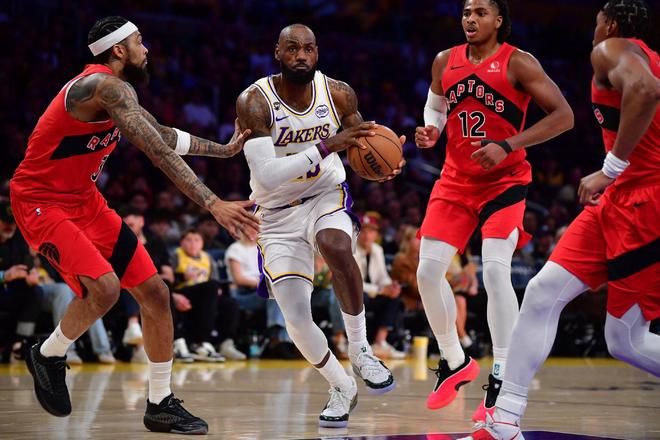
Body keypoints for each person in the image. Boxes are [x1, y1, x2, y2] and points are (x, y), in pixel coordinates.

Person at [9, 16, 260, 434]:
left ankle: (160, 403)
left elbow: (161, 134)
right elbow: (158, 154)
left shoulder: (118, 93)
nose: (147, 49)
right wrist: (212, 202)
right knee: (105, 289)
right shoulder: (103, 86)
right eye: (140, 42)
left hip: (85, 201)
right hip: (41, 202)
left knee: (156, 294)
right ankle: (48, 354)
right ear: (119, 50)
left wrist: (226, 150)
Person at [468, 1, 659, 438]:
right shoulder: (646, 56)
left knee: (625, 340)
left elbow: (646, 91)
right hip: (617, 201)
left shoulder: (610, 49)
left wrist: (611, 168)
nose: (594, 31)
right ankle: (504, 421)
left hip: (645, 205)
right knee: (541, 292)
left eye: (597, 23)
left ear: (611, 24)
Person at [235, 23, 404, 428]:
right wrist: (327, 145)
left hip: (325, 194)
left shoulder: (339, 93)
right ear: (278, 52)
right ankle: (341, 385)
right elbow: (267, 177)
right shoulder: (254, 101)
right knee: (295, 316)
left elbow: (363, 145)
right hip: (275, 212)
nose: (301, 56)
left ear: (317, 53)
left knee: (336, 244)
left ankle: (360, 349)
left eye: (308, 49)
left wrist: (386, 164)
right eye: (292, 48)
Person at [414, 0, 573, 416]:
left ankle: (503, 371)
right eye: (467, 11)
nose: (471, 18)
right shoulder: (444, 60)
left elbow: (564, 116)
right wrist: (432, 129)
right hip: (455, 181)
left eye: (481, 12)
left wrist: (508, 145)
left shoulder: (519, 62)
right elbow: (436, 105)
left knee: (496, 272)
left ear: (498, 21)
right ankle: (455, 361)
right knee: (426, 273)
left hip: (504, 181)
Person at [353, 213, 405, 359]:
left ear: (376, 234)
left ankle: (380, 342)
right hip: (355, 295)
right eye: (363, 231)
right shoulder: (351, 250)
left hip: (372, 294)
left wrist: (391, 287)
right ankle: (357, 343)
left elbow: (382, 276)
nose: (367, 235)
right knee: (360, 297)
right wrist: (381, 290)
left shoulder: (377, 250)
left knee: (394, 297)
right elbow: (354, 283)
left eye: (371, 231)